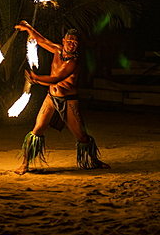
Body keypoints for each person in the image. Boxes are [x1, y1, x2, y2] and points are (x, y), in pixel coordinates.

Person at [14, 20, 111, 175]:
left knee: (82, 136)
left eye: (75, 43)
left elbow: (56, 79)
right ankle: (25, 164)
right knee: (37, 130)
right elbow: (41, 40)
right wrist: (28, 28)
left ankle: (94, 161)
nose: (72, 45)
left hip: (69, 101)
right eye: (70, 41)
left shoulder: (74, 62)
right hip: (51, 98)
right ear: (64, 41)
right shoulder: (57, 50)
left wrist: (36, 78)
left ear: (78, 45)